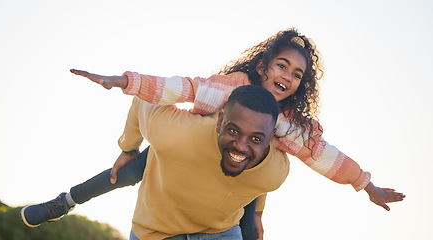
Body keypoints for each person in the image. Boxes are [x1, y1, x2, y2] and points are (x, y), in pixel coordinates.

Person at [21, 29, 405, 239]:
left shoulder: (288, 122)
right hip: (190, 157)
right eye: (281, 66)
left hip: (240, 177)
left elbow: (322, 155)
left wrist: (365, 184)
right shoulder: (231, 88)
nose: (286, 77)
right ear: (262, 66)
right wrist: (124, 81)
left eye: (296, 74)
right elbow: (183, 88)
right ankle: (65, 201)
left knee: (252, 223)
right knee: (128, 170)